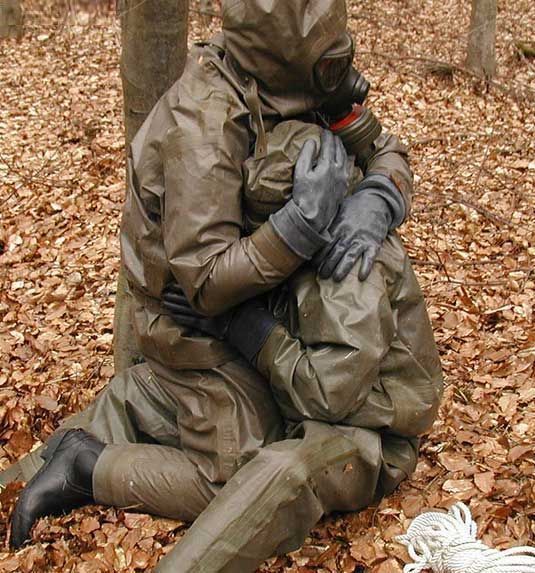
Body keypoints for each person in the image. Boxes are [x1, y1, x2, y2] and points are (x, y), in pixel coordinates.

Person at [5, 1, 425, 570]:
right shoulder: (208, 121)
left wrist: (378, 198)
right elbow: (203, 283)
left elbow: (381, 148)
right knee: (228, 470)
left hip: (265, 317)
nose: (346, 79)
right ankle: (85, 463)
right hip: (191, 316)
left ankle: (106, 437)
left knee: (245, 446)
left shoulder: (300, 89)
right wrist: (297, 231)